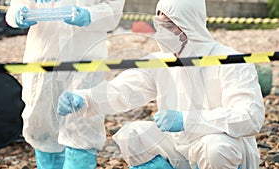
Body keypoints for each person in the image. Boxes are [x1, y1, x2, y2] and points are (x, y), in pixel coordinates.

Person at [57, 0, 265, 168]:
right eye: (159, 25)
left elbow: (249, 116)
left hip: (222, 146)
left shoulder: (230, 60)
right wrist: (84, 99)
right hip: (181, 144)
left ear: (188, 26)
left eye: (167, 26)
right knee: (133, 135)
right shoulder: (161, 61)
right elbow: (123, 90)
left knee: (215, 148)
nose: (160, 32)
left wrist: (188, 120)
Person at [5, 0, 124, 168]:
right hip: (44, 57)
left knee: (83, 118)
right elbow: (16, 7)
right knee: (41, 119)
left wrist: (89, 15)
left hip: (85, 58)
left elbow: (113, 10)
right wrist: (19, 14)